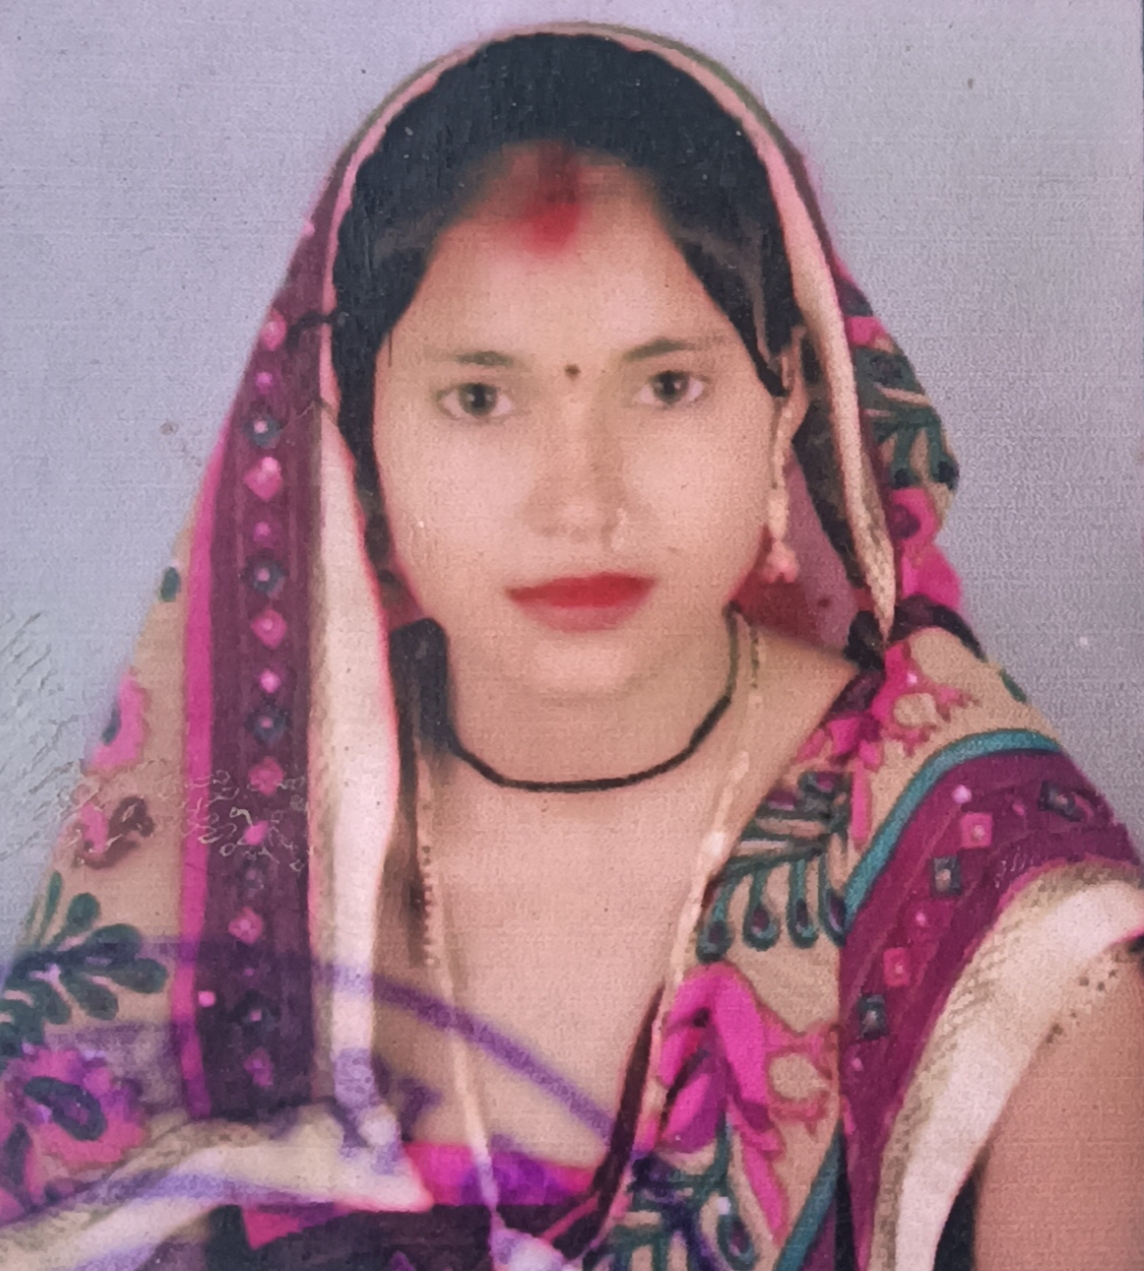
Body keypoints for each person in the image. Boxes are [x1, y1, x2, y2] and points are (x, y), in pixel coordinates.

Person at [0, 24, 1141, 1271]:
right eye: (480, 398)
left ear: (789, 401)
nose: (579, 500)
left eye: (666, 386)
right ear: (355, 431)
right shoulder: (244, 838)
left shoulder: (980, 873)